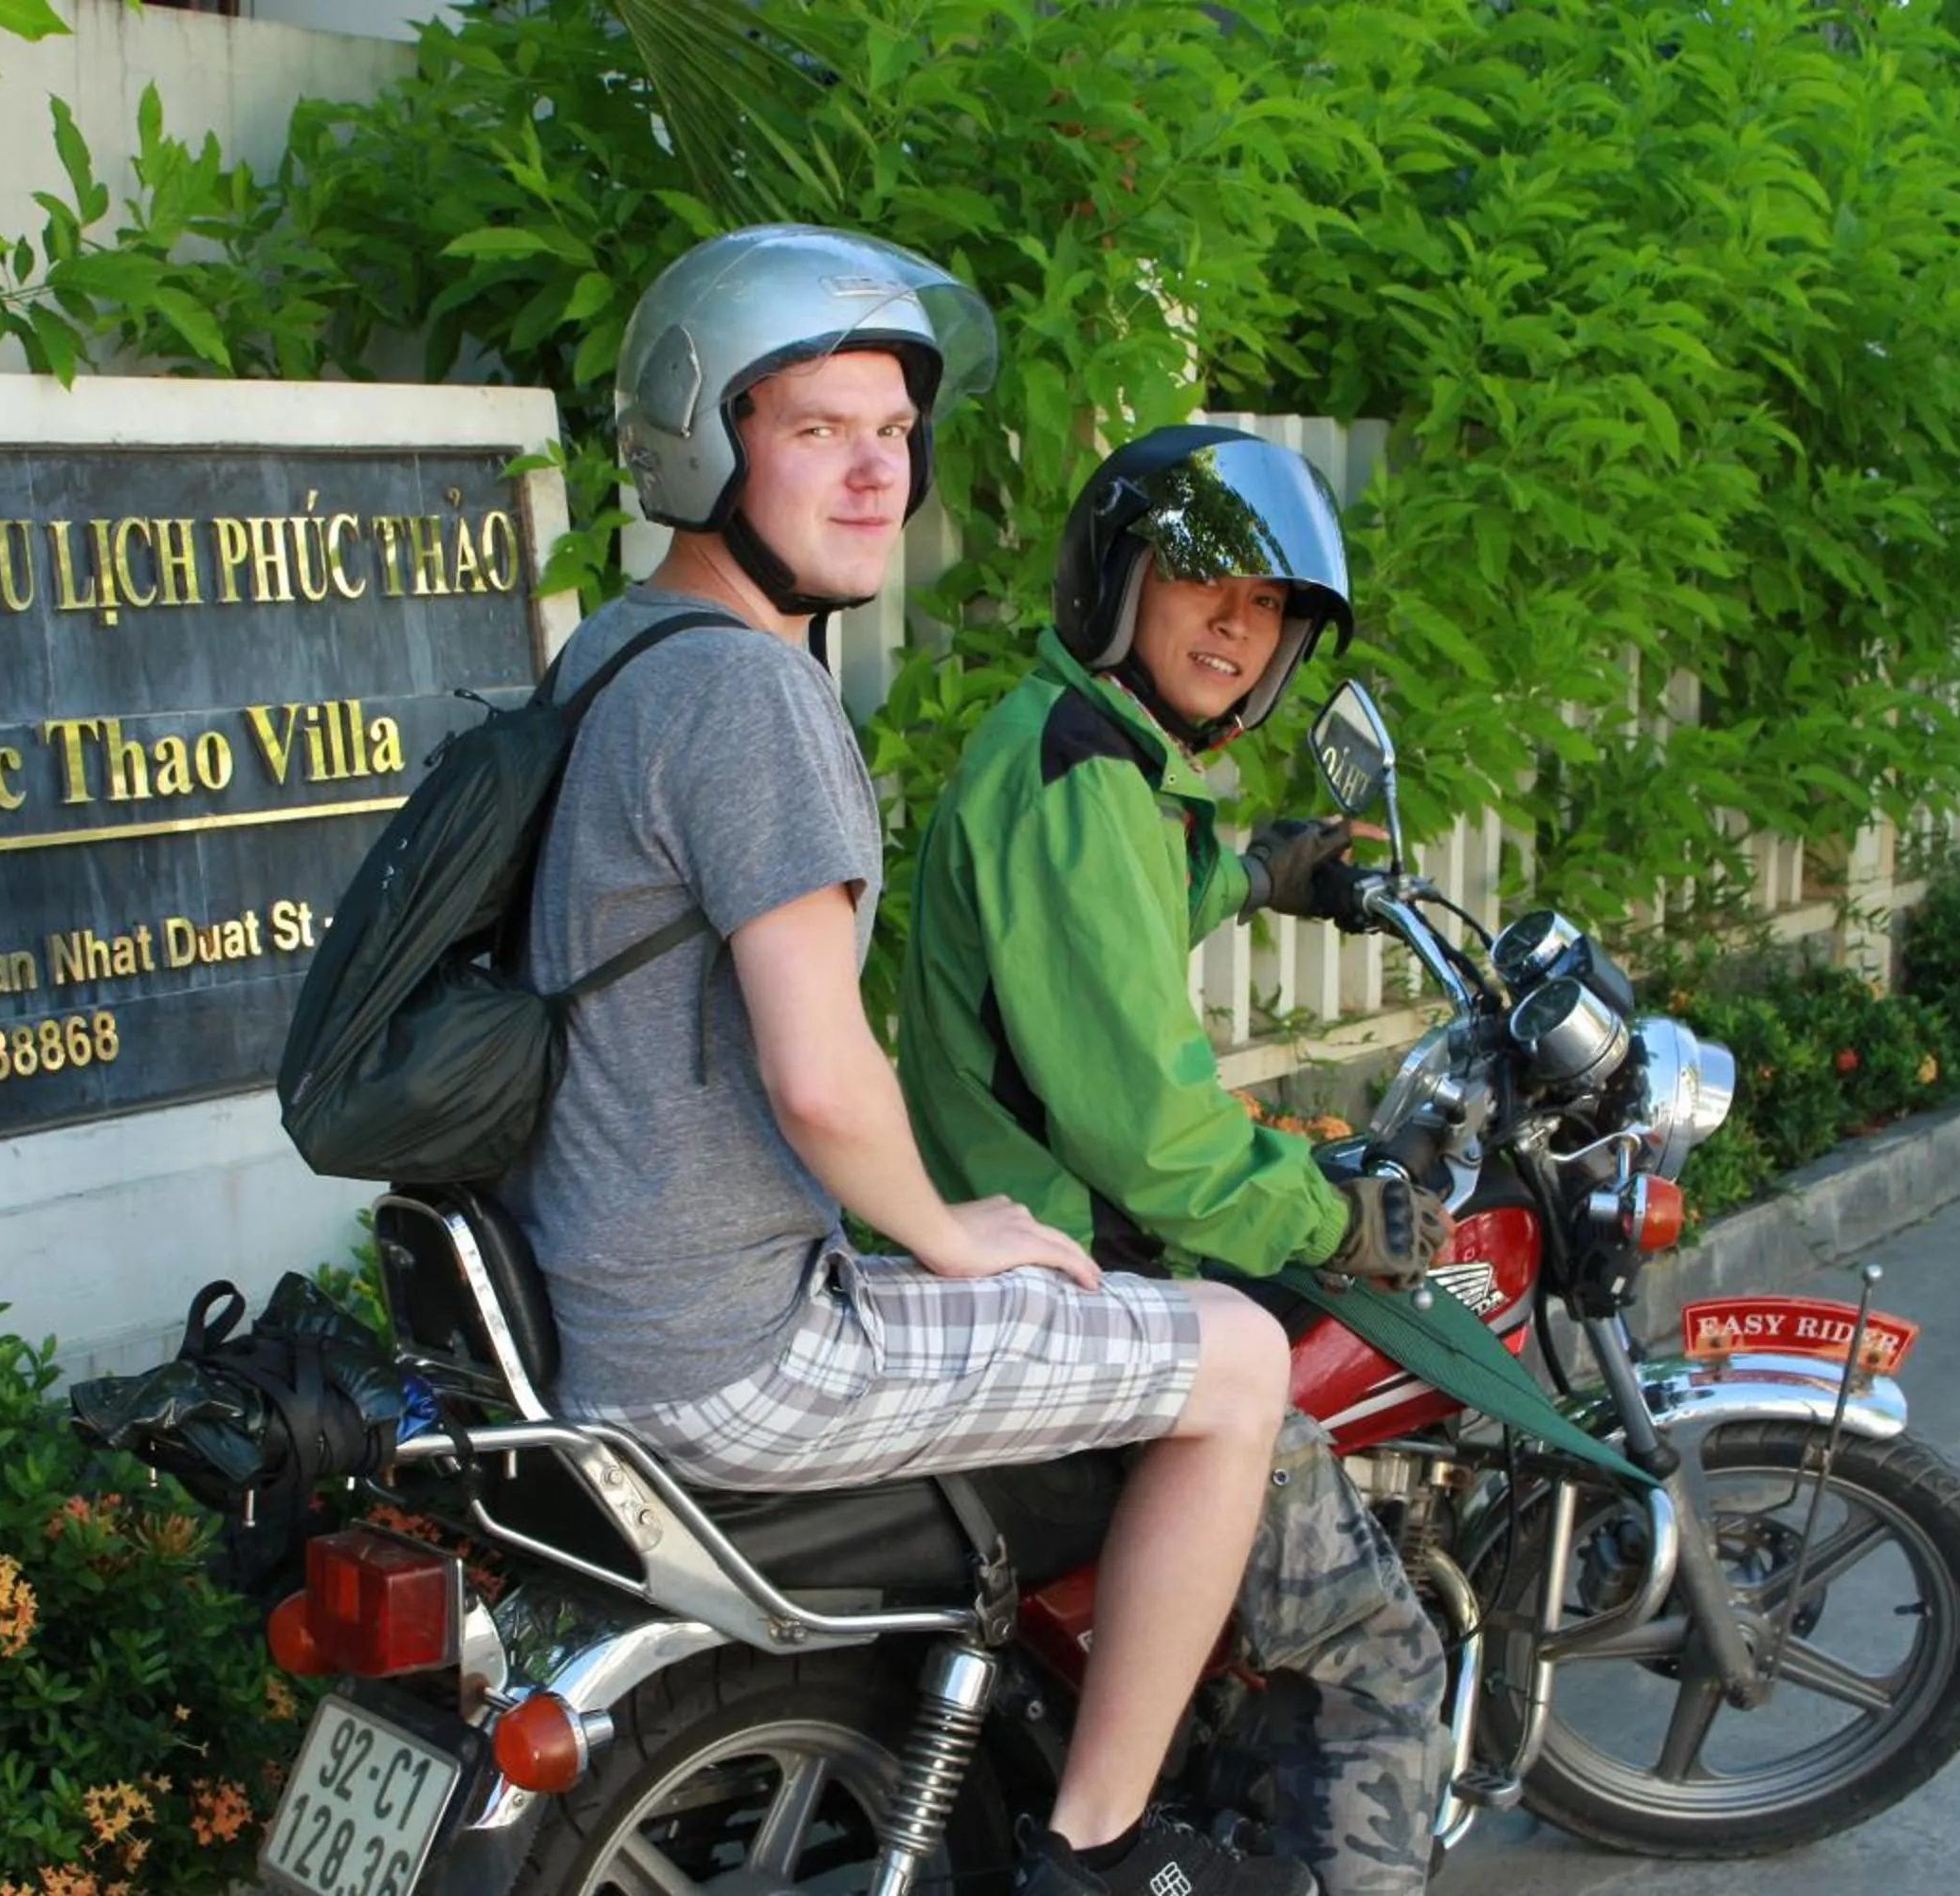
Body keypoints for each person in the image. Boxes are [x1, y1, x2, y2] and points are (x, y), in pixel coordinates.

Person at [500, 228, 1310, 1896]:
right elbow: (818, 1074)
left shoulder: (615, 655)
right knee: (1234, 1359)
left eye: (893, 433)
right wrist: (960, 1234)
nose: (876, 475)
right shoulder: (751, 703)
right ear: (707, 445)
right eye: (816, 431)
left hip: (619, 1304)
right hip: (731, 1354)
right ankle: (1098, 1853)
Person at [895, 424, 1454, 1896]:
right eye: (1206, 579)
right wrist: (1334, 1210)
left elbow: (1114, 926)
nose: (1234, 621)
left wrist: (1256, 869)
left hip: (1021, 1258)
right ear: (1122, 583)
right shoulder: (1079, 782)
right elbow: (1152, 1139)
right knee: (1379, 1660)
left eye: (1267, 606)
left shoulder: (1091, 765)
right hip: (1093, 1286)